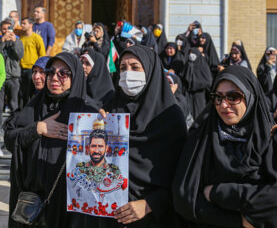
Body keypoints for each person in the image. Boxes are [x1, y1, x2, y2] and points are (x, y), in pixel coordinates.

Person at [173, 65, 277, 228]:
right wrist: (239, 221)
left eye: (233, 97)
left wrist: (218, 193)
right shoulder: (203, 139)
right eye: (218, 97)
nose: (223, 105)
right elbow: (184, 199)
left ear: (251, 97)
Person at [69, 45, 187, 227]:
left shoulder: (170, 118)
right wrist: (96, 126)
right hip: (106, 216)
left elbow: (182, 177)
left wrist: (150, 205)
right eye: (123, 68)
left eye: (135, 67)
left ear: (150, 72)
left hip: (150, 219)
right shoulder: (111, 109)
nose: (127, 74)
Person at [5, 52, 99, 228]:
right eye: (51, 72)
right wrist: (37, 129)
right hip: (33, 206)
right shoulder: (35, 105)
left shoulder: (89, 112)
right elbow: (10, 138)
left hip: (69, 206)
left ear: (76, 77)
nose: (55, 78)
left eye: (64, 73)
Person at [0, 19, 24, 124]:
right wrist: (2, 42)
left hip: (13, 77)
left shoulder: (18, 41)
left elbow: (19, 55)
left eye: (8, 28)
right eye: (4, 29)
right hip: (1, 78)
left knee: (14, 104)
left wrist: (14, 42)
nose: (6, 31)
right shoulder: (1, 40)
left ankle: (13, 126)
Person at [178, 48, 213, 119]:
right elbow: (182, 78)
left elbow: (208, 81)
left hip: (199, 94)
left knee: (199, 114)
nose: (191, 55)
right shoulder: (187, 65)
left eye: (193, 53)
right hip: (187, 94)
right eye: (190, 53)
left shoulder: (203, 66)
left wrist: (195, 85)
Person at [20, 17, 46, 108]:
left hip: (32, 69)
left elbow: (42, 55)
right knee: (22, 94)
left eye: (24, 23)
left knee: (31, 94)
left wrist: (39, 70)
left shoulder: (37, 37)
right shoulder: (21, 38)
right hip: (21, 69)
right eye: (21, 23)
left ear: (31, 25)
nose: (22, 25)